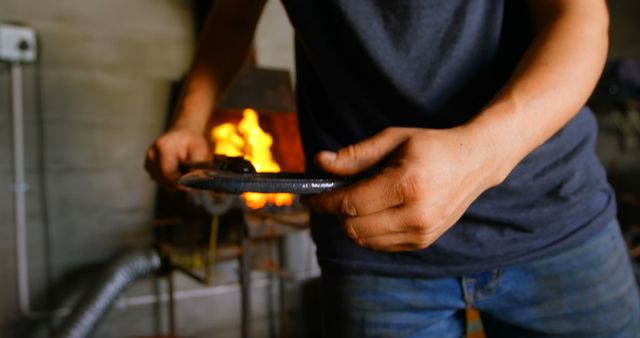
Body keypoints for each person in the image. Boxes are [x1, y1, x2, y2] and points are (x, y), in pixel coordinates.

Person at [145, 0, 640, 336]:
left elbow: (577, 15)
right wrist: (189, 120)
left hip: (555, 218)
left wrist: (479, 156)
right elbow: (232, 16)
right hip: (371, 248)